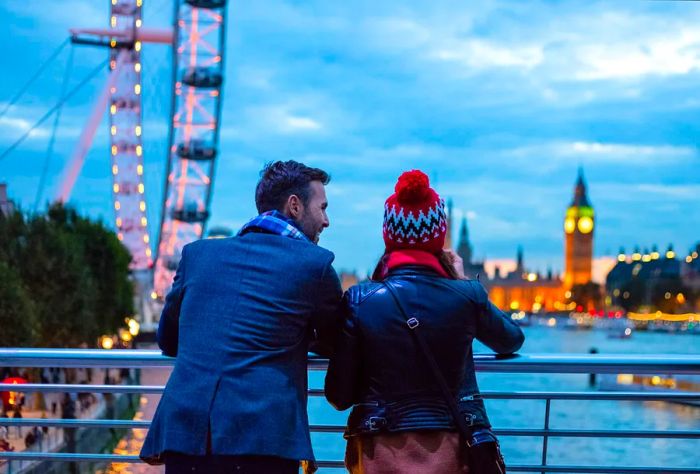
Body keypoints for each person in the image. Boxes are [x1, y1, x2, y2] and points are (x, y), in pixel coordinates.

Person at [141, 160, 344, 474]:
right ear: (294, 206)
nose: (327, 220)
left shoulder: (198, 255)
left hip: (187, 435)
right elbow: (336, 344)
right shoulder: (315, 265)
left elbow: (168, 339)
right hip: (262, 440)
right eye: (323, 207)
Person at [325, 170, 525, 474]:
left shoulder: (360, 300)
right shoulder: (466, 295)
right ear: (439, 236)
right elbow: (511, 339)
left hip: (379, 453)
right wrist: (461, 281)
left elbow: (339, 397)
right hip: (452, 451)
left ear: (389, 236)